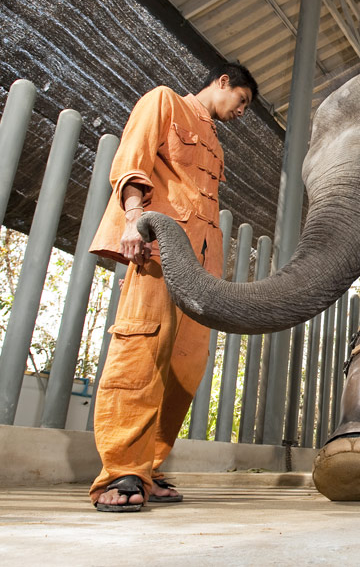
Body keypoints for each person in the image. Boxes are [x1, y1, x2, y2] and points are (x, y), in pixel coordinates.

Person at [87, 63, 257, 512]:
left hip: (200, 271)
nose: (242, 112)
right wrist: (131, 219)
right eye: (242, 101)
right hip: (157, 254)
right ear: (223, 82)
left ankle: (151, 466)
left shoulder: (216, 144)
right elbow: (133, 160)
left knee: (186, 366)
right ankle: (122, 469)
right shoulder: (165, 101)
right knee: (141, 351)